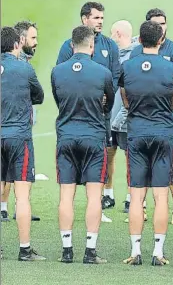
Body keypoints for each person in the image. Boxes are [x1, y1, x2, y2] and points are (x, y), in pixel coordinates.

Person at [120, 20, 173, 266]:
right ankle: (158, 252)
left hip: (136, 133)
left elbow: (125, 99)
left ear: (139, 40)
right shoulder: (172, 68)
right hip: (163, 133)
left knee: (136, 196)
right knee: (160, 196)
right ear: (160, 41)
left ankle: (136, 252)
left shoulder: (128, 67)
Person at [52, 25, 114, 264]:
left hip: (66, 136)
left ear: (71, 45)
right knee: (93, 196)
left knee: (66, 195)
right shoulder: (102, 72)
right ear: (92, 45)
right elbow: (108, 105)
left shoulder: (57, 71)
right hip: (93, 138)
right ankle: (90, 251)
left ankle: (67, 251)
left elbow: (60, 101)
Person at [56, 2, 120, 222]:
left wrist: (104, 98)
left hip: (99, 114)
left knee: (99, 159)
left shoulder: (110, 46)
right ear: (84, 19)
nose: (100, 21)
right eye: (96, 18)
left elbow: (115, 76)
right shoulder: (69, 46)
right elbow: (60, 78)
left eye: (102, 17)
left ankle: (98, 206)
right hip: (74, 112)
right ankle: (76, 208)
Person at [130, 8, 173, 225]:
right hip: (141, 117)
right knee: (138, 162)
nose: (160, 28)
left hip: (167, 117)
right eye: (155, 24)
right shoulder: (136, 52)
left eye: (162, 23)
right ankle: (140, 207)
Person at [1, 26, 45, 261]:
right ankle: (25, 249)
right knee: (22, 195)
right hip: (19, 137)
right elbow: (39, 96)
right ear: (17, 44)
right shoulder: (25, 68)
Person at [109, 20, 138, 219]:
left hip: (128, 117)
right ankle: (107, 194)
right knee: (108, 154)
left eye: (112, 34)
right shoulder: (110, 56)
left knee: (130, 158)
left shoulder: (135, 56)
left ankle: (130, 197)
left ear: (118, 34)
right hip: (109, 116)